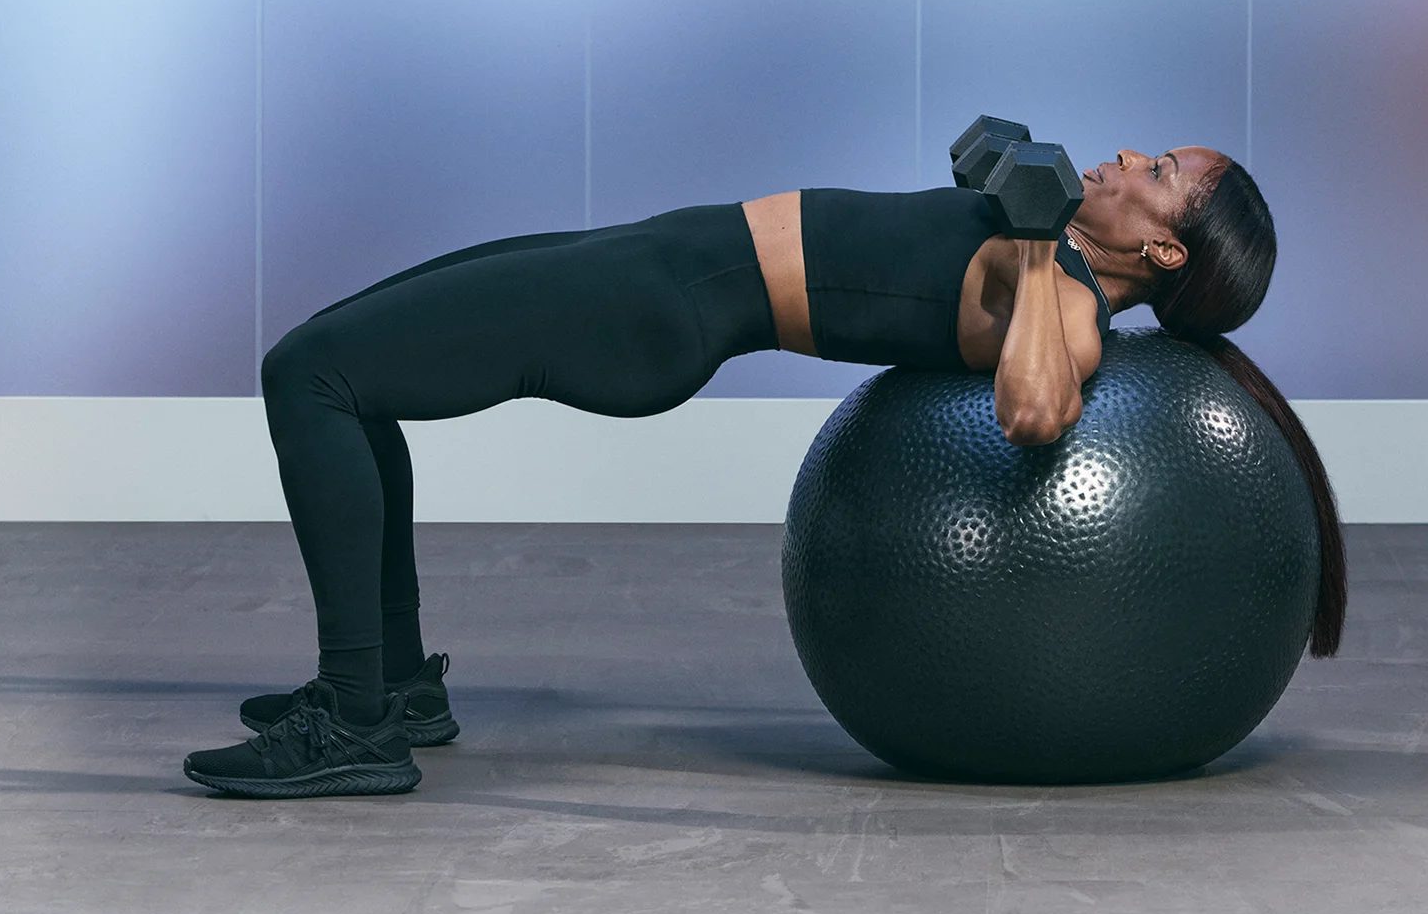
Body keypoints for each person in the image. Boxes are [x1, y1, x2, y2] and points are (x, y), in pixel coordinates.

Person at [181, 142, 1345, 797]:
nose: (1131, 154)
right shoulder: (1046, 256)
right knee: (347, 360)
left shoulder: (1072, 301)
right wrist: (998, 187)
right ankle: (390, 684)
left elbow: (1038, 405)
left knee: (312, 374)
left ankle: (356, 721)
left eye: (1162, 172)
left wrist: (1039, 239)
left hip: (658, 311)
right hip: (657, 257)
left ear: (1163, 247)